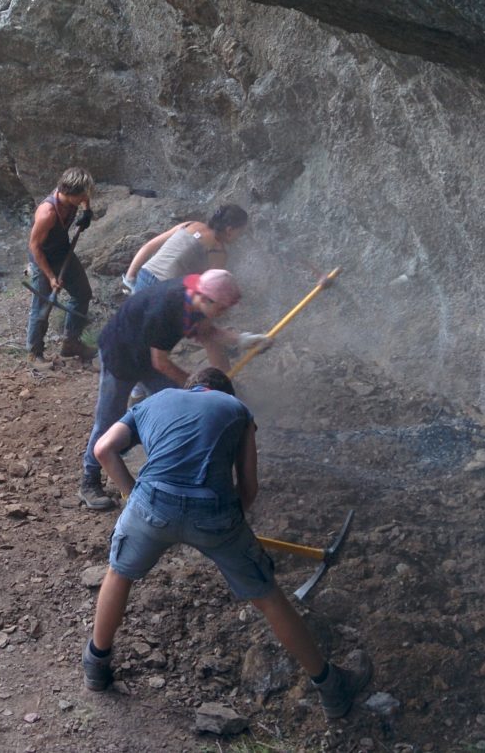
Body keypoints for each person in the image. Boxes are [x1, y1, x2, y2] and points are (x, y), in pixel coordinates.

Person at [82, 367, 373, 718]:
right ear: (225, 392)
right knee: (269, 597)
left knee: (119, 574)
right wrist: (226, 528)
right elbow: (249, 489)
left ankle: (96, 667)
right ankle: (332, 689)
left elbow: (103, 450)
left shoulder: (155, 400)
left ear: (189, 388)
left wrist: (134, 495)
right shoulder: (237, 410)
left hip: (150, 506)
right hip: (214, 514)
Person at [79, 269, 269, 510]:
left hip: (147, 355)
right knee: (108, 419)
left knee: (176, 410)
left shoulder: (194, 297)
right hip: (121, 353)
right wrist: (196, 386)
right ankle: (89, 480)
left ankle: (175, 467)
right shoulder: (167, 310)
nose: (222, 314)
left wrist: (242, 340)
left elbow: (206, 333)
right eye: (220, 309)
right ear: (204, 298)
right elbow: (161, 363)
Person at [26, 167, 97, 361]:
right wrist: (50, 276)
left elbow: (84, 198)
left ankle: (71, 343)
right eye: (82, 195)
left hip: (63, 252)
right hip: (43, 257)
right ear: (69, 193)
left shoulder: (74, 196)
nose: (85, 197)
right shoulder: (47, 213)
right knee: (42, 306)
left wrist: (87, 212)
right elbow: (34, 246)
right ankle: (34, 353)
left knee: (83, 294)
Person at [122, 205, 249, 294]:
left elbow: (147, 247)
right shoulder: (218, 253)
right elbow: (206, 290)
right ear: (230, 230)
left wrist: (129, 278)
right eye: (241, 232)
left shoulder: (189, 225)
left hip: (144, 275)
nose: (240, 237)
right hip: (164, 291)